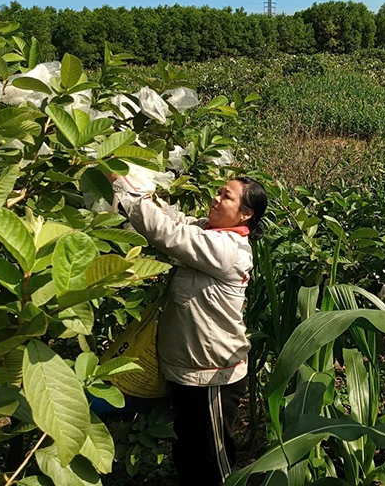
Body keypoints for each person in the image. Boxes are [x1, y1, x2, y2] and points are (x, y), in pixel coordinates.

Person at [111, 173, 268, 485]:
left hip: (212, 376)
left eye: (227, 197)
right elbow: (178, 221)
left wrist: (125, 188)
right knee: (187, 452)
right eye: (219, 192)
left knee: (212, 463)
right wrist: (144, 189)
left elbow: (169, 234)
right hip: (188, 369)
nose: (216, 198)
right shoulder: (208, 230)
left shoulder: (227, 248)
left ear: (245, 214)